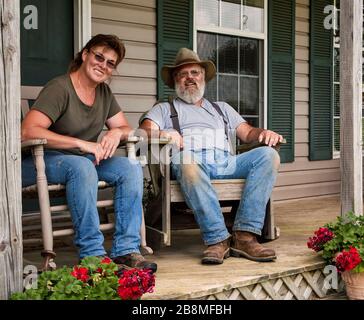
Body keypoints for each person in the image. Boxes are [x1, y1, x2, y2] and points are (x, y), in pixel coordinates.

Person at [21, 34, 157, 273]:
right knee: (82, 167)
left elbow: (124, 127)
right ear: (85, 55)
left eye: (110, 63)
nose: (103, 65)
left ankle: (126, 250)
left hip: (82, 161)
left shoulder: (103, 93)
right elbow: (27, 131)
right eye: (99, 57)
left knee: (130, 168)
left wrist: (116, 134)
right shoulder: (60, 87)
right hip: (41, 161)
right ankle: (93, 256)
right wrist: (82, 144)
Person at [140, 48, 283, 265]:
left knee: (268, 155)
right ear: (175, 81)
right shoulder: (163, 109)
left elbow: (247, 133)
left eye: (195, 73)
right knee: (187, 160)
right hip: (191, 162)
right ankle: (218, 239)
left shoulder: (221, 108)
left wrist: (264, 133)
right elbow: (143, 132)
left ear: (203, 77)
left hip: (227, 162)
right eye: (183, 74)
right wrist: (163, 133)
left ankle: (245, 236)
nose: (190, 78)